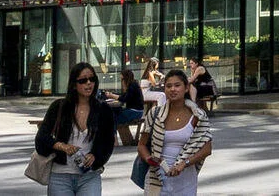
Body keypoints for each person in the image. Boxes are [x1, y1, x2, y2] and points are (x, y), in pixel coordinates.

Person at [34, 63, 117, 196]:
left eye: (92, 79)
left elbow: (108, 142)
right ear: (74, 84)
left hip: (89, 176)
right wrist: (62, 146)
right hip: (61, 176)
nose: (88, 83)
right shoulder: (59, 107)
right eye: (83, 80)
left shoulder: (103, 109)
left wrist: (95, 156)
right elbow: (41, 139)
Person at [135, 70, 211, 196]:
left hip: (185, 179)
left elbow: (207, 149)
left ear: (186, 88)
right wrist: (149, 158)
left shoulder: (197, 115)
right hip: (157, 178)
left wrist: (184, 164)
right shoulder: (155, 113)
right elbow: (141, 145)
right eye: (168, 86)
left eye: (177, 85)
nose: (172, 89)